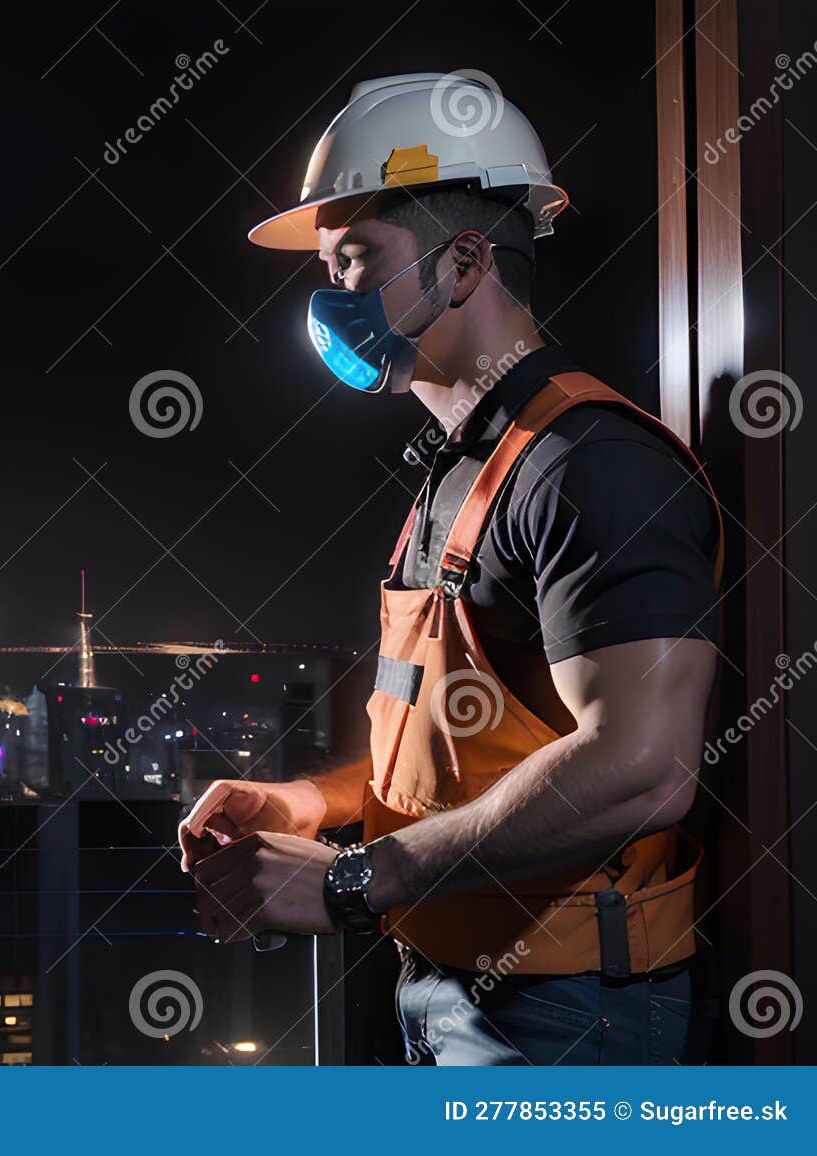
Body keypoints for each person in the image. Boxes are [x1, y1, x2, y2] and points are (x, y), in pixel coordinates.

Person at [182, 73, 721, 1065]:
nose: (331, 296)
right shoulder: (459, 470)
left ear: (464, 262)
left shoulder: (583, 463)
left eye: (353, 262)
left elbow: (641, 768)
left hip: (565, 1015)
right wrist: (307, 806)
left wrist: (350, 879)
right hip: (447, 989)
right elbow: (460, 754)